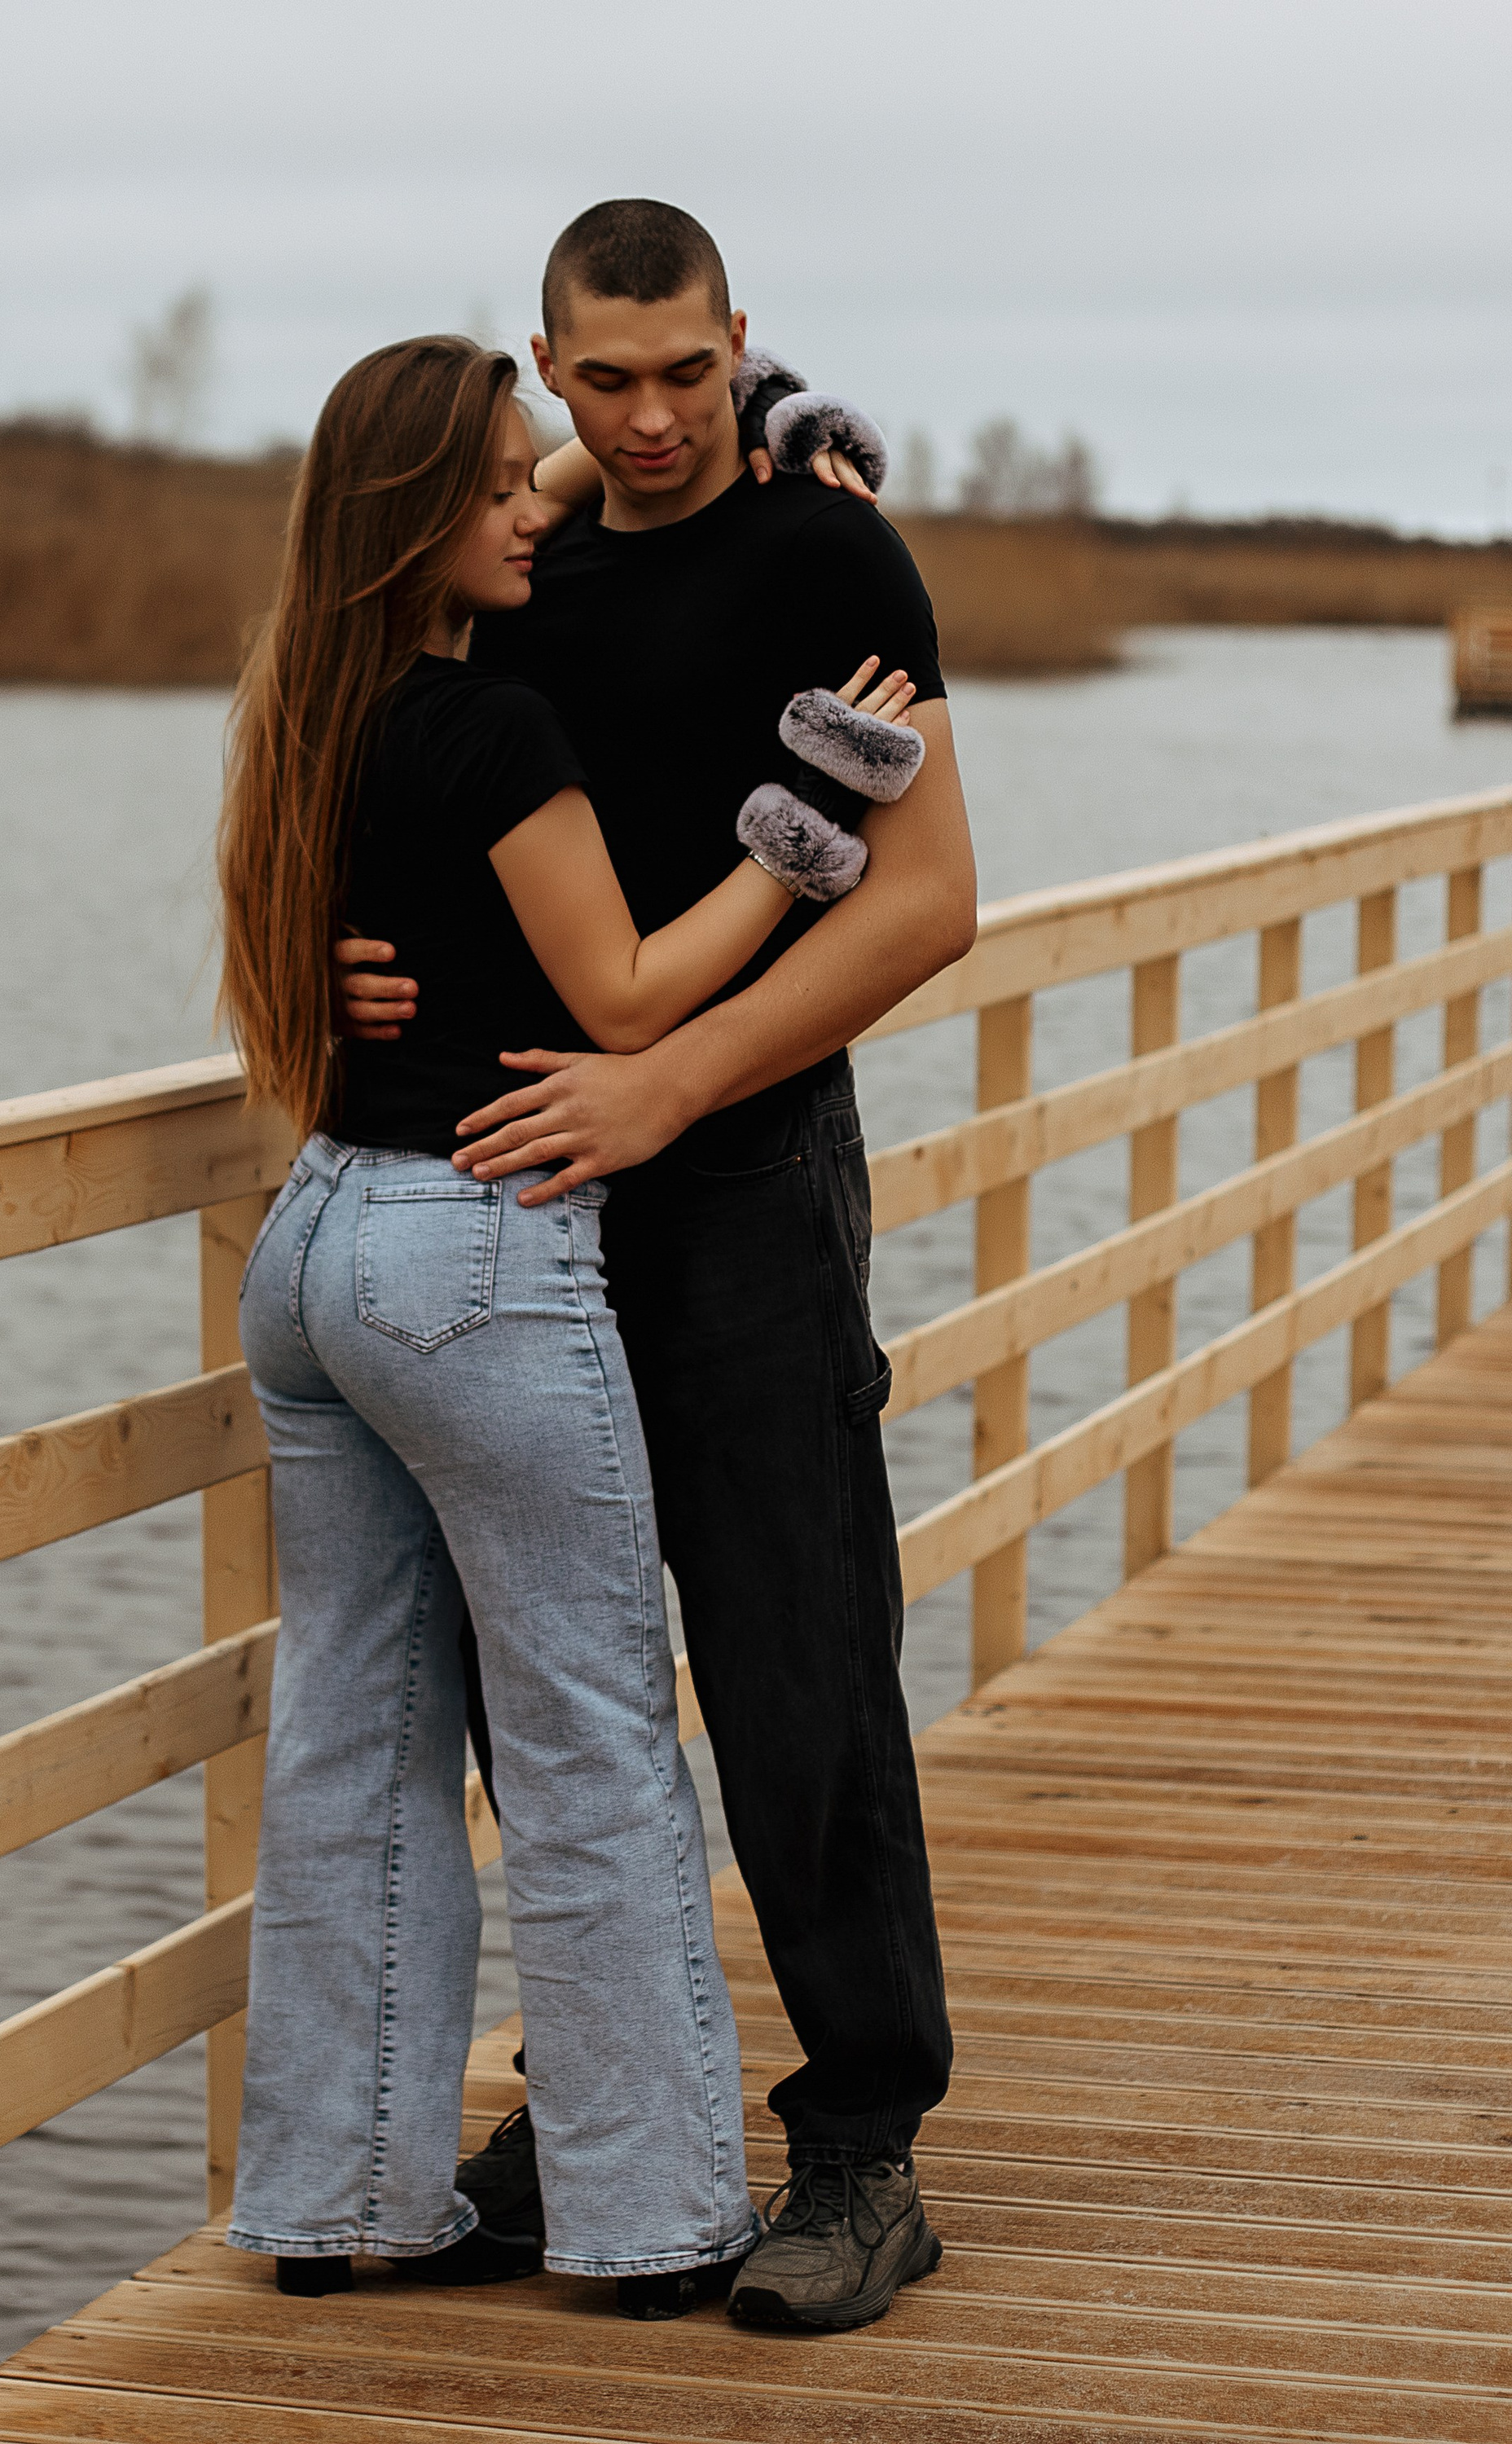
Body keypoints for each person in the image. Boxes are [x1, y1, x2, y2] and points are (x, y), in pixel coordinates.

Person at [217, 332, 920, 2317]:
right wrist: (802, 817)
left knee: (352, 1742)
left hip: (315, 1248)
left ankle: (345, 2200)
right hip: (473, 1248)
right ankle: (644, 2214)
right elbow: (623, 1003)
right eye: (508, 478)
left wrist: (784, 422)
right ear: (421, 518)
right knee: (591, 1735)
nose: (543, 500)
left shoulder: (309, 716)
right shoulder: (497, 720)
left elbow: (339, 973)